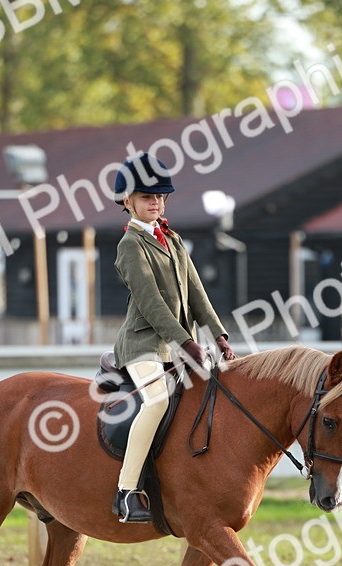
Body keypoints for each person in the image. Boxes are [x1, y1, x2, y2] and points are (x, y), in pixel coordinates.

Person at [110, 152, 235, 523]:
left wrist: (219, 334)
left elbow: (197, 294)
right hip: (144, 345)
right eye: (148, 197)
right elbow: (151, 304)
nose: (155, 202)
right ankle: (126, 491)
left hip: (179, 345)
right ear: (127, 201)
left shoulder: (173, 240)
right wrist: (187, 343)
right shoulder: (130, 246)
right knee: (158, 401)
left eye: (160, 197)